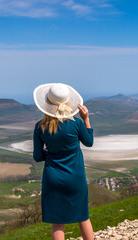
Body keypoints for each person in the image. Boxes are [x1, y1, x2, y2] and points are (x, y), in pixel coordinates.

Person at [33, 83, 94, 240]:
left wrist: (52, 154)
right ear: (68, 102)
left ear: (46, 103)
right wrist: (86, 119)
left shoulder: (40, 127)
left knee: (58, 223)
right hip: (76, 177)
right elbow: (89, 142)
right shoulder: (76, 123)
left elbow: (38, 156)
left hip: (53, 177)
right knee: (83, 216)